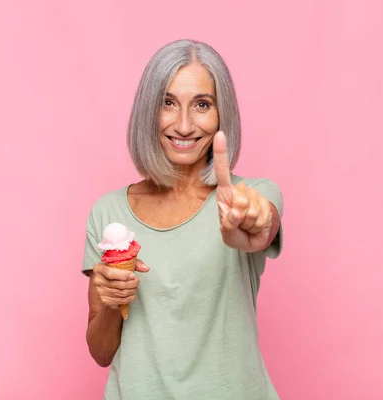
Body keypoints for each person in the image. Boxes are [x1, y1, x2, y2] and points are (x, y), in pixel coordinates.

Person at [82, 39, 284, 400]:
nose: (185, 124)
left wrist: (255, 222)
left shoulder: (248, 197)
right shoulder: (107, 212)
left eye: (202, 105)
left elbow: (263, 223)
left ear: (222, 115)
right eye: (168, 103)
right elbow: (101, 352)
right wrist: (110, 301)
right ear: (148, 110)